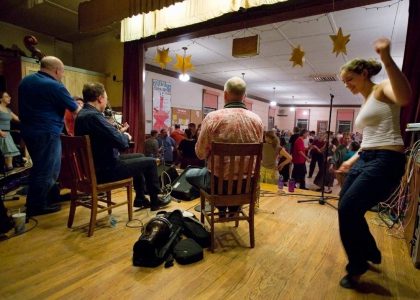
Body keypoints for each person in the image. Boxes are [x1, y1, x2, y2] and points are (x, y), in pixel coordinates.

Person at [336, 38, 411, 289]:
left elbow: (405, 96)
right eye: (344, 82)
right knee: (345, 207)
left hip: (387, 160)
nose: (347, 85)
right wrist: (352, 160)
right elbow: (369, 139)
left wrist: (387, 59)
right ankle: (370, 251)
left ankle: (357, 267)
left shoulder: (382, 89)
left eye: (350, 80)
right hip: (367, 158)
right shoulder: (365, 100)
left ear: (364, 73)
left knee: (349, 209)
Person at [75, 82, 170, 211]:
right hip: (105, 170)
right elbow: (122, 143)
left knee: (141, 156)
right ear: (100, 98)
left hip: (96, 167)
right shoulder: (94, 117)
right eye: (106, 99)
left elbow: (104, 138)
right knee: (151, 162)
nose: (106, 102)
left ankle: (140, 198)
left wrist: (118, 134)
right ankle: (155, 201)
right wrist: (126, 136)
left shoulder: (82, 115)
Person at [185, 76, 263, 214]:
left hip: (218, 185)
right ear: (244, 96)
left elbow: (200, 153)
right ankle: (233, 207)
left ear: (225, 94)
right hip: (247, 185)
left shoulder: (212, 118)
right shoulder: (257, 120)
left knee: (189, 174)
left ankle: (220, 206)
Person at [18, 56, 81, 217]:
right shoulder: (55, 86)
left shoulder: (26, 81)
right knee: (48, 170)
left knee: (39, 167)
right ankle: (37, 206)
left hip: (28, 131)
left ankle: (46, 198)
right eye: (62, 72)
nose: (62, 76)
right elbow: (75, 110)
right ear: (57, 70)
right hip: (47, 132)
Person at [0, 92, 21, 170]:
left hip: (7, 134)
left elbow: (18, 119)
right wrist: (0, 132)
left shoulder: (8, 110)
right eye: (6, 96)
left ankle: (9, 170)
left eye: (9, 96)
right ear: (1, 99)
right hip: (1, 133)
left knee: (9, 156)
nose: (9, 98)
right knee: (7, 155)